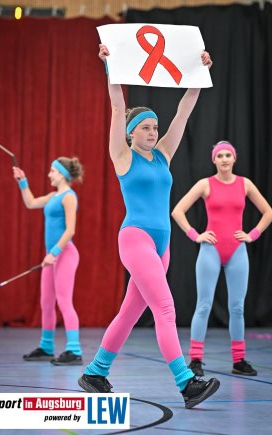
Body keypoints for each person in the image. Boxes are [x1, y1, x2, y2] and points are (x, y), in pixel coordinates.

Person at [78, 44, 220, 409]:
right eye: (146, 127)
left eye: (155, 126)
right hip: (136, 239)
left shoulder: (164, 155)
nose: (154, 131)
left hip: (162, 244)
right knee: (165, 308)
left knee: (131, 312)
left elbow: (184, 114)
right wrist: (110, 68)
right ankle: (186, 383)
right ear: (130, 133)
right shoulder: (122, 156)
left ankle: (95, 371)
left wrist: (198, 77)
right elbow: (114, 107)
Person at [171, 141, 272, 377]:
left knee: (237, 308)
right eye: (220, 155)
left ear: (234, 158)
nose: (224, 159)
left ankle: (239, 360)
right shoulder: (205, 184)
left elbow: (268, 212)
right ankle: (195, 359)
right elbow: (178, 210)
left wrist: (252, 234)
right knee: (204, 305)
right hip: (211, 250)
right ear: (214, 160)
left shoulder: (244, 184)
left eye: (228, 155)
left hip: (237, 250)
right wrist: (196, 235)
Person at [13, 156, 84, 366]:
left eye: (52, 171)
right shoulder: (54, 195)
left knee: (64, 302)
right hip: (52, 257)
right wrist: (22, 181)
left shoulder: (69, 197)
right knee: (46, 303)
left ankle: (74, 350)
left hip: (64, 255)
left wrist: (53, 252)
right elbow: (30, 202)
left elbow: (70, 230)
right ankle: (46, 346)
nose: (49, 174)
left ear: (62, 174)